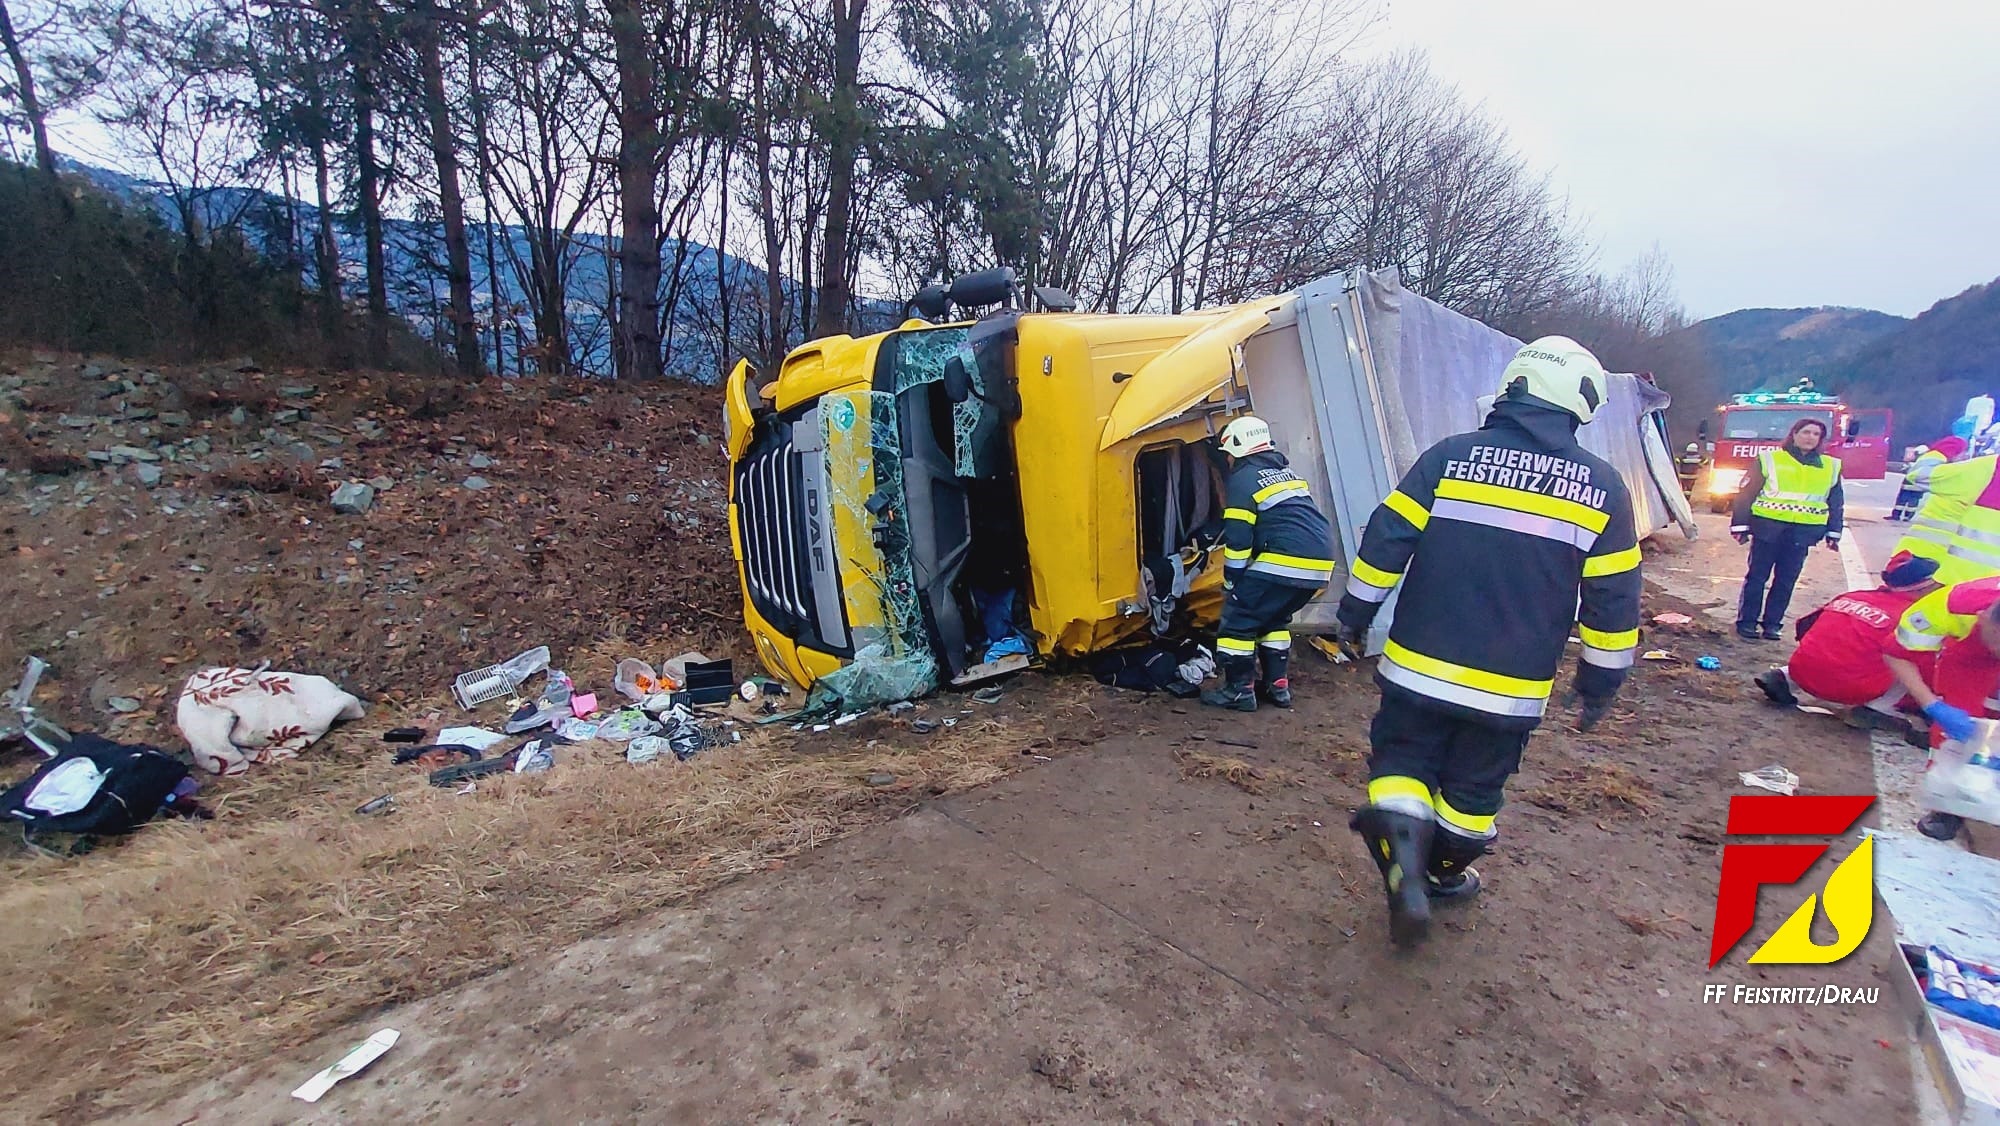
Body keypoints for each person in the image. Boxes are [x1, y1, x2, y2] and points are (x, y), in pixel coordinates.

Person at [1334, 336, 1641, 948]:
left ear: (1514, 387)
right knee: (1475, 793)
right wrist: (1600, 681)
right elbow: (1613, 600)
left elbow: (1386, 538)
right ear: (1578, 403)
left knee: (1401, 763)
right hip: (1511, 689)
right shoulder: (1603, 490)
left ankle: (1402, 861)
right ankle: (1443, 875)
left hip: (1417, 668)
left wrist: (1355, 611)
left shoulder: (1449, 457)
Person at [1202, 414, 1336, 711]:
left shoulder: (1243, 479)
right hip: (1318, 564)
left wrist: (1232, 583)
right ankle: (1277, 688)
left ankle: (1238, 691)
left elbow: (1238, 539)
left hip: (1284, 560)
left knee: (1238, 619)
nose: (1227, 460)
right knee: (1272, 618)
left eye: (1227, 454)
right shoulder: (1288, 475)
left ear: (1237, 448)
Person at [1753, 551, 1941, 731]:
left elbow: (1804, 627)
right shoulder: (1915, 617)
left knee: (1832, 646)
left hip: (1801, 671)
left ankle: (1783, 678)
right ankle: (1876, 710)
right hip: (1851, 688)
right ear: (1923, 587)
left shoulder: (1853, 596)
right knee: (1910, 663)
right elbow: (1925, 667)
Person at [1882, 575, 2000, 840]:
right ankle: (1948, 804)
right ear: (1984, 618)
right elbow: (1895, 652)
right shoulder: (1948, 607)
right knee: (1958, 727)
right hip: (1969, 658)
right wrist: (1932, 705)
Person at [1732, 418, 1844, 641]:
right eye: (1805, 432)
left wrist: (1834, 532)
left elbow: (1836, 501)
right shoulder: (1769, 459)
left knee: (1786, 581)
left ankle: (1773, 624)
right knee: (1757, 577)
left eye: (1815, 434)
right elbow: (1746, 493)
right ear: (1794, 434)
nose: (1810, 437)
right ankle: (1747, 621)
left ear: (1821, 439)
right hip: (1768, 528)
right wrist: (1740, 524)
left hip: (1802, 533)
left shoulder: (1831, 466)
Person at [1894, 451, 2000, 584]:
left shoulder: (1990, 468)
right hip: (1978, 585)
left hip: (1961, 582)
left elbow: (1920, 474)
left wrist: (1940, 451)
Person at [1890, 436, 1967, 522]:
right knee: (1913, 501)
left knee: (1902, 499)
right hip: (1920, 483)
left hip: (1909, 480)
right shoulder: (1942, 459)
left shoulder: (1930, 453)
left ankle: (1896, 516)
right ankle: (1907, 517)